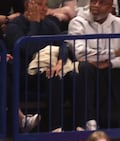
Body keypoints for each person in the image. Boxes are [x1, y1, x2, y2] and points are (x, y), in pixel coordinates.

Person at [68, 0, 120, 130]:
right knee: (85, 67)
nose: (95, 5)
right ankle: (89, 121)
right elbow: (80, 54)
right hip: (90, 71)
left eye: (101, 3)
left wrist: (110, 63)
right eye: (93, 1)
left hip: (115, 69)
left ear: (110, 8)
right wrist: (117, 52)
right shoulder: (77, 22)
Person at [5, 0, 74, 132]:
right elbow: (29, 49)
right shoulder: (14, 26)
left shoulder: (50, 24)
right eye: (39, 4)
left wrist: (60, 62)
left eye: (45, 5)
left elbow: (62, 45)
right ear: (28, 5)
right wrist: (34, 23)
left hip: (49, 70)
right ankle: (52, 129)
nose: (44, 9)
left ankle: (66, 128)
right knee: (51, 76)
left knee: (63, 75)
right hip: (25, 75)